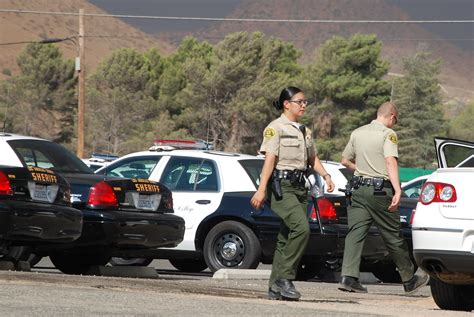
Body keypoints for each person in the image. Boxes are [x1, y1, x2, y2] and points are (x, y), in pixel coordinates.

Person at [251, 86, 335, 301]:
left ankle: (275, 287)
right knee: (301, 228)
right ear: (286, 104)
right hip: (281, 186)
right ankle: (285, 278)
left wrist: (326, 176)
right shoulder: (275, 128)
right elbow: (270, 159)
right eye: (300, 101)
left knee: (286, 235)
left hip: (299, 188)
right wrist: (261, 190)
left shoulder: (305, 130)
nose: (304, 105)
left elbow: (312, 158)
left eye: (305, 101)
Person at [338, 101, 428, 294]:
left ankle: (348, 277)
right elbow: (390, 162)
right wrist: (397, 189)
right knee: (393, 235)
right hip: (380, 192)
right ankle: (409, 279)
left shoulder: (357, 132)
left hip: (358, 190)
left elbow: (345, 160)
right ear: (392, 117)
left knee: (355, 233)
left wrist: (361, 170)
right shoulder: (388, 134)